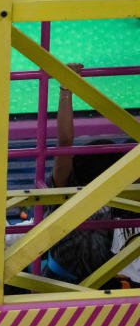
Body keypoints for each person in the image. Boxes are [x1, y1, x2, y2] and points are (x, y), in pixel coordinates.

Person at [43, 68, 122, 285]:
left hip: (101, 280)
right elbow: (65, 141)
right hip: (59, 280)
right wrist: (66, 88)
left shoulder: (116, 192)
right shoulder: (66, 185)